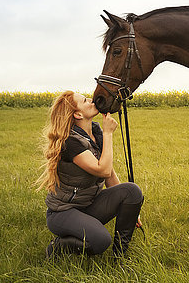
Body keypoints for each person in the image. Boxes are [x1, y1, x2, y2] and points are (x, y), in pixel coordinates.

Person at [36, 90, 143, 258]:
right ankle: (58, 246)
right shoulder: (70, 143)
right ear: (78, 114)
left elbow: (110, 175)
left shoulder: (95, 132)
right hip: (63, 212)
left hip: (88, 205)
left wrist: (131, 209)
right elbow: (103, 170)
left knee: (132, 191)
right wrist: (108, 133)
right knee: (100, 241)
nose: (92, 101)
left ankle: (120, 256)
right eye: (85, 101)